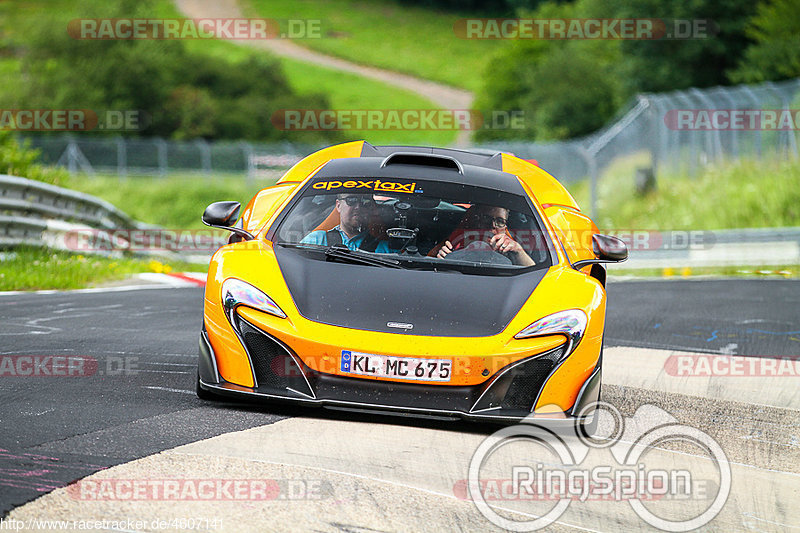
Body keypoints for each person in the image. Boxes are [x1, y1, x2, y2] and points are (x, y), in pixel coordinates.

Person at [430, 204, 535, 266]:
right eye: (486, 218)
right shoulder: (454, 241)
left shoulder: (510, 246)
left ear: (505, 227)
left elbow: (535, 274)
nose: (492, 225)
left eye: (500, 221)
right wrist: (441, 261)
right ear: (476, 220)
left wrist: (518, 252)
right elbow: (427, 265)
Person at [300, 193, 395, 253]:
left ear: (371, 208)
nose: (358, 207)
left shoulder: (386, 250)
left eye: (365, 202)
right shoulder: (316, 240)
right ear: (338, 205)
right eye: (351, 200)